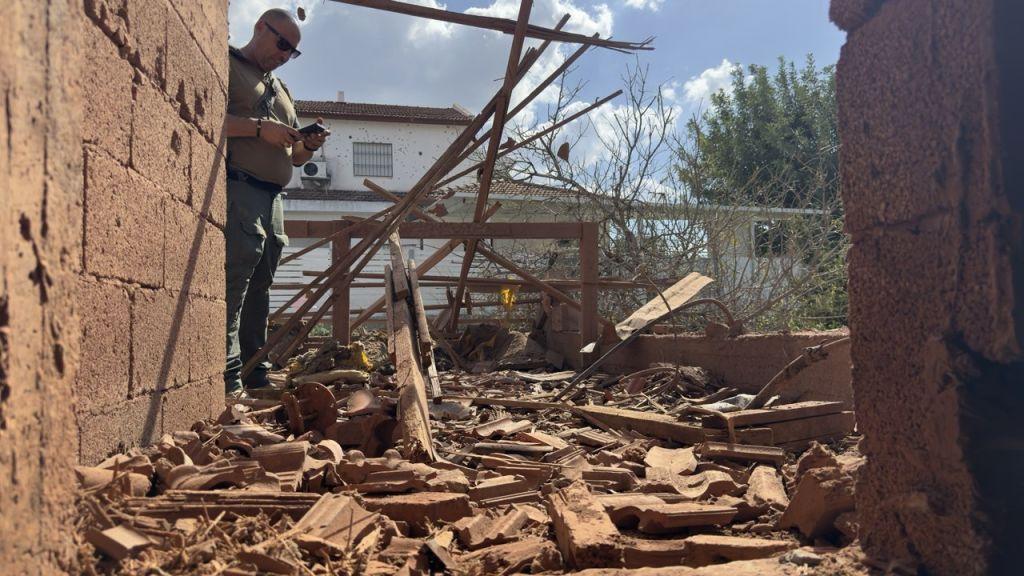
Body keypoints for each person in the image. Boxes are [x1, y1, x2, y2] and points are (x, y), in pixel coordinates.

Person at [223, 8, 329, 398]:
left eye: (293, 52)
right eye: (282, 44)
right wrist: (256, 128)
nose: (285, 55)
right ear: (259, 28)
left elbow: (296, 158)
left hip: (273, 197)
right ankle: (227, 376)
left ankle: (255, 372)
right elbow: (204, 119)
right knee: (235, 281)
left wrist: (307, 145)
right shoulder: (227, 64)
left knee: (261, 287)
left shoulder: (282, 91)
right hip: (239, 188)